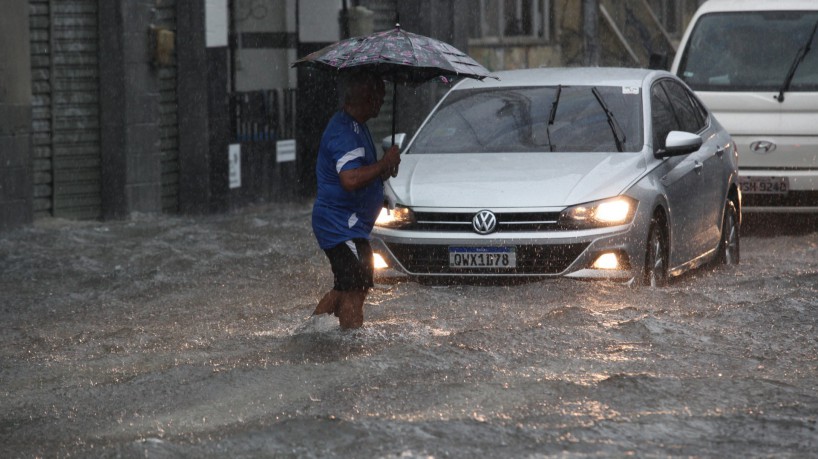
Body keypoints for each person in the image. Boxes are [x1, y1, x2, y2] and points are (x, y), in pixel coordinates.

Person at [310, 71, 401, 329]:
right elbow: (349, 179)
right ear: (367, 97)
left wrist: (385, 167)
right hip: (341, 226)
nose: (383, 101)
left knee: (346, 287)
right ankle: (350, 345)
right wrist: (383, 162)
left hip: (349, 226)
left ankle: (311, 333)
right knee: (356, 288)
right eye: (380, 96)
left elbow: (363, 172)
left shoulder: (357, 126)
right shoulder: (344, 132)